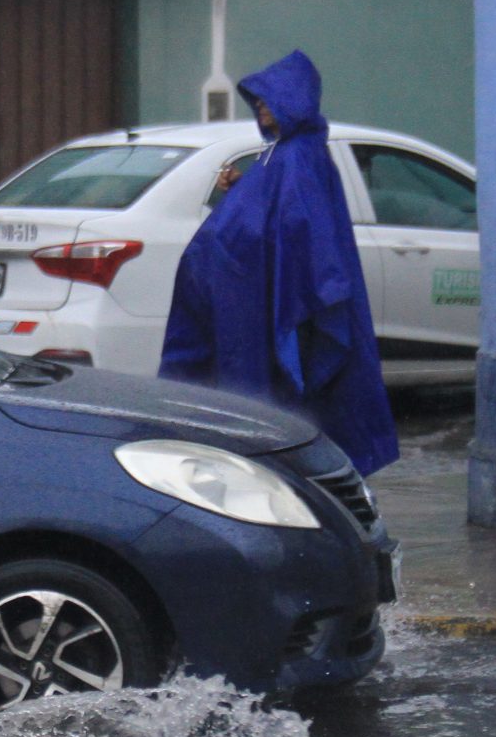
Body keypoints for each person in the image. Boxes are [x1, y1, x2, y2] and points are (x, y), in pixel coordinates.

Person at [158, 50, 399, 475]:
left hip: (271, 299)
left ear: (294, 101)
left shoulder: (301, 157)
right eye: (259, 102)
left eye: (270, 100)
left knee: (273, 399)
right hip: (249, 296)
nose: (262, 108)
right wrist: (241, 190)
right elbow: (268, 214)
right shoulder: (279, 153)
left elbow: (301, 233)